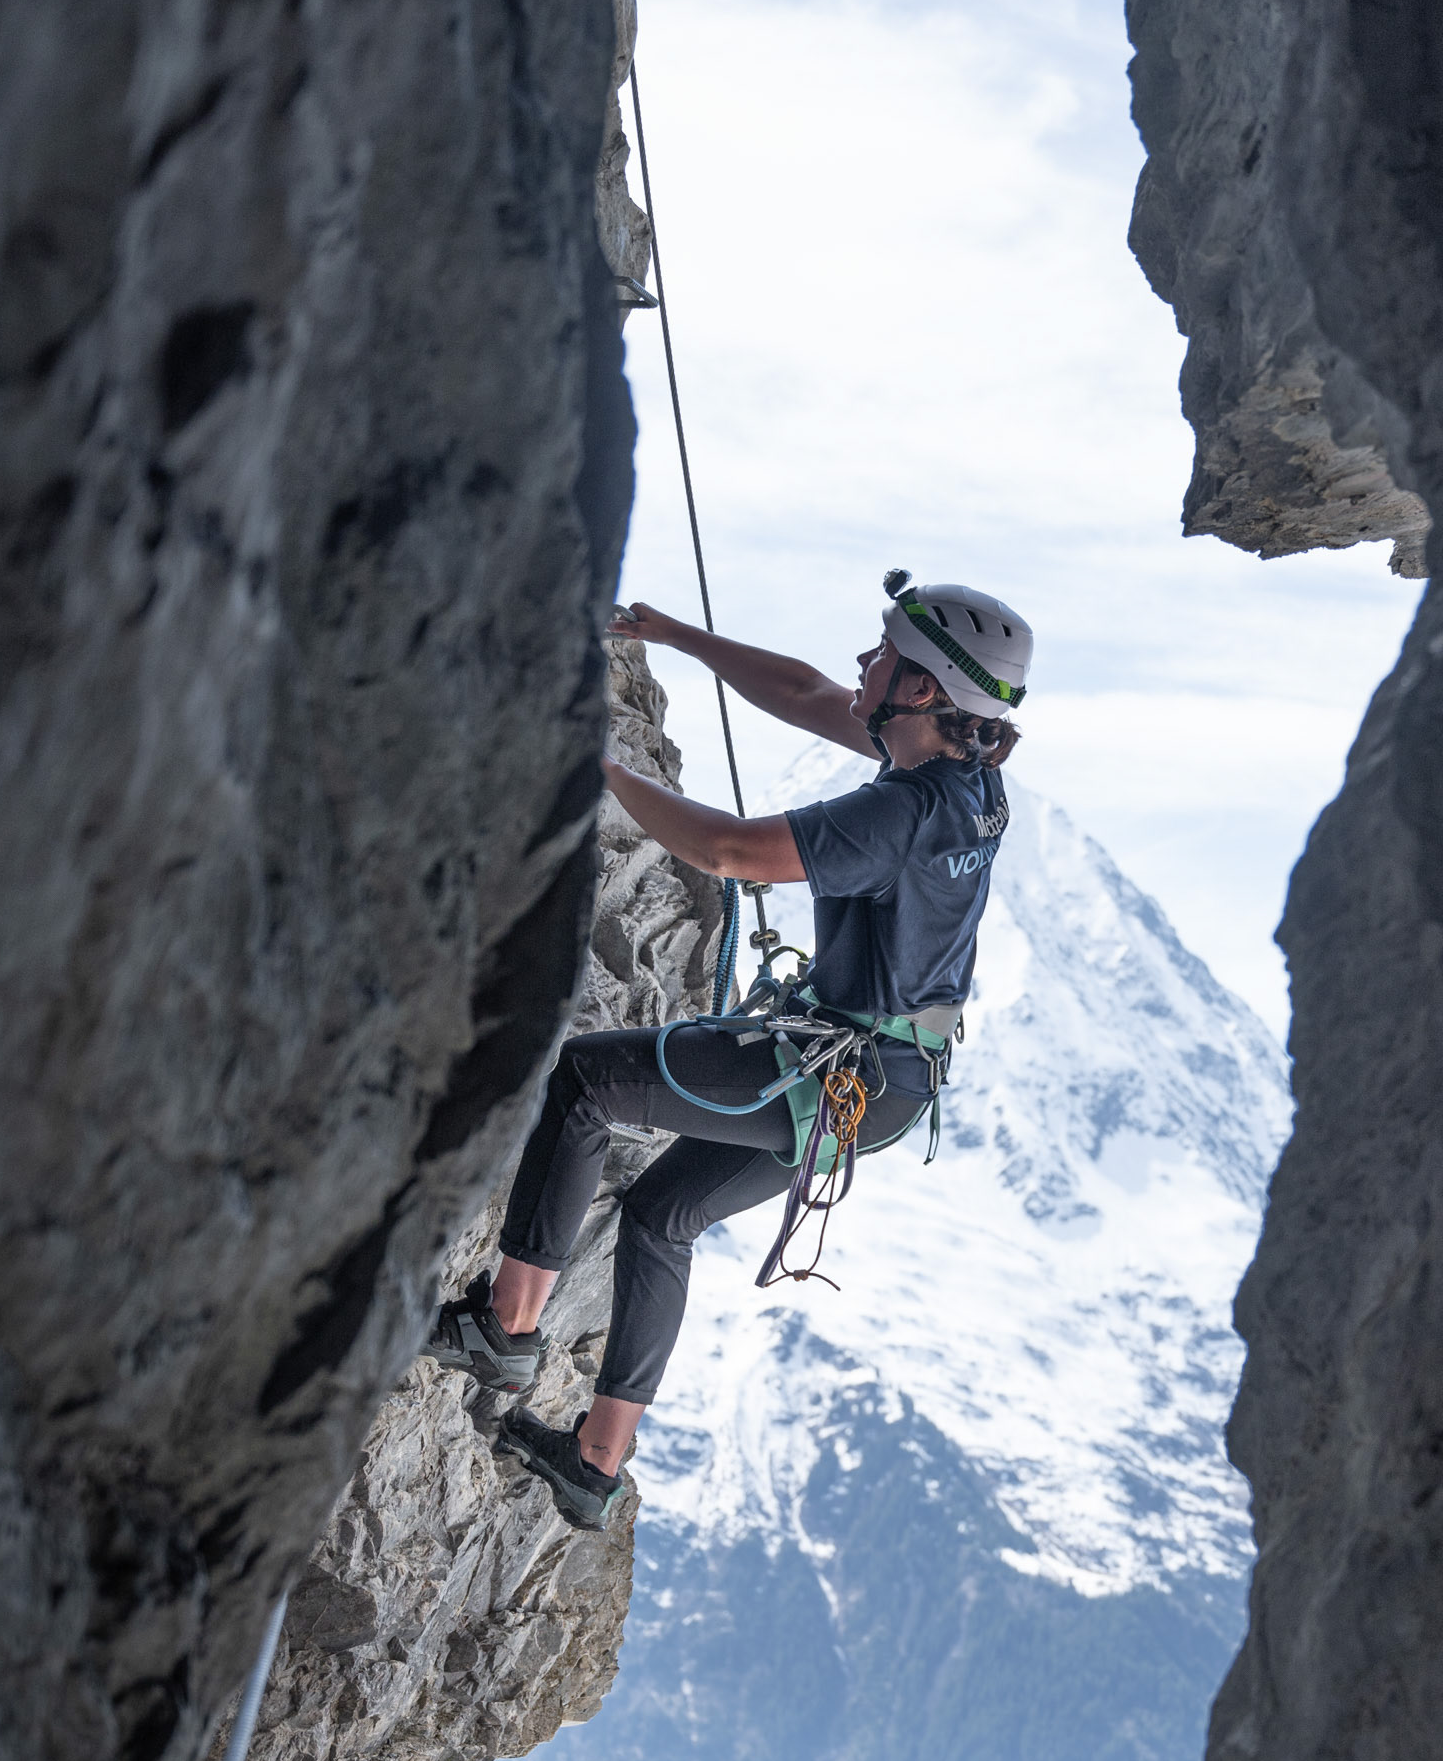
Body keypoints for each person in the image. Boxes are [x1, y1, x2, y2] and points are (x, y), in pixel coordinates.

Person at [425, 572, 1033, 1530]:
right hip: (883, 1085)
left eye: (882, 655)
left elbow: (731, 853)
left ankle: (502, 1328)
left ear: (921, 691)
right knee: (664, 1213)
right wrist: (674, 635)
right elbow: (800, 695)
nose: (861, 665)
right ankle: (595, 1463)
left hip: (839, 1067)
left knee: (588, 1082)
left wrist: (601, 774)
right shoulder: (966, 783)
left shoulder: (902, 814)